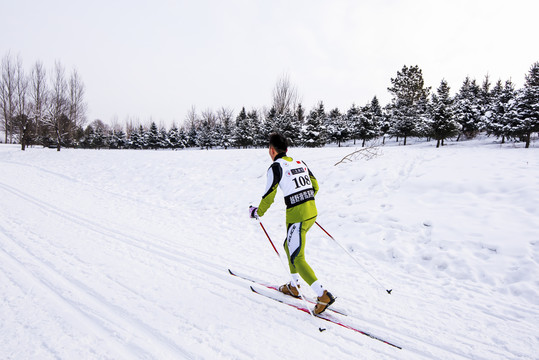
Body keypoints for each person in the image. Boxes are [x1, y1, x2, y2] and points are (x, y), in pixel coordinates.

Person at [249, 132, 335, 315]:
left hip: (298, 216)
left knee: (297, 256)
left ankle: (323, 294)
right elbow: (315, 186)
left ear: (271, 150)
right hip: (310, 212)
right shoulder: (300, 163)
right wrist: (306, 202)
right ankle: (294, 286)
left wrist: (258, 212)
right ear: (286, 149)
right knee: (288, 246)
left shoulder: (275, 167)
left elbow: (269, 195)